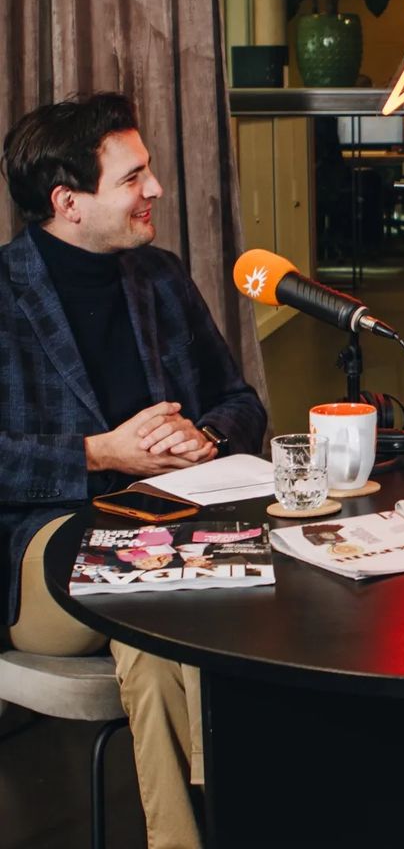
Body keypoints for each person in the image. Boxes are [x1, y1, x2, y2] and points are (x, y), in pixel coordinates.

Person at [0, 93, 267, 849]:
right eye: (133, 177)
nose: (155, 188)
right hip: (41, 552)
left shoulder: (160, 276)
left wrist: (204, 438)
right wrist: (101, 454)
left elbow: (240, 402)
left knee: (157, 638)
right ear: (68, 202)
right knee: (162, 598)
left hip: (171, 536)